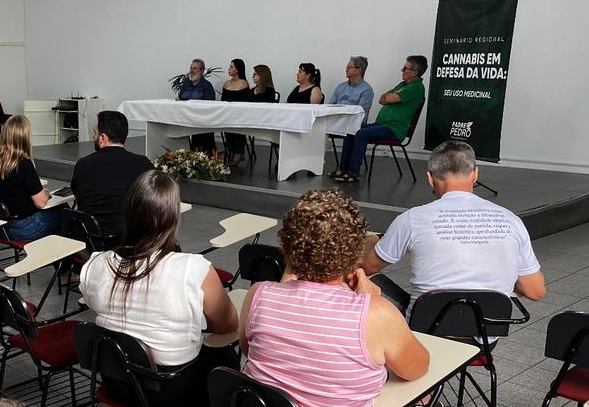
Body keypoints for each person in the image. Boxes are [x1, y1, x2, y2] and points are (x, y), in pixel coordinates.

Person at [240, 189, 429, 407]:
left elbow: (250, 350)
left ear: (287, 245)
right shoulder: (378, 315)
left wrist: (292, 266)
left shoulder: (258, 295)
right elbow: (417, 369)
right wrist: (369, 305)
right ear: (355, 252)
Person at [79, 170, 238, 407]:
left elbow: (92, 302)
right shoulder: (193, 269)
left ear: (129, 214)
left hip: (118, 384)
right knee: (227, 358)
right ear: (174, 218)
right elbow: (228, 325)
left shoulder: (97, 264)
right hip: (172, 391)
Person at [361, 141, 546, 311]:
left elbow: (368, 266)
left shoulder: (412, 219)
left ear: (430, 178)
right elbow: (535, 291)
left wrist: (372, 240)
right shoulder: (511, 220)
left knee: (356, 272)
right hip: (489, 328)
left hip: (425, 327)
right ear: (475, 174)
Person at [333, 55, 427, 183]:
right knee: (351, 128)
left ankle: (354, 173)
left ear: (414, 72)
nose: (402, 70)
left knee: (361, 134)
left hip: (394, 129)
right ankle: (343, 168)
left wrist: (391, 97)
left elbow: (388, 98)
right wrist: (390, 97)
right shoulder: (403, 84)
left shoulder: (416, 87)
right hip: (382, 124)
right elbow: (382, 99)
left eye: (405, 68)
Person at [70, 111, 153, 245]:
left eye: (95, 133)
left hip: (92, 242)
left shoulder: (83, 164)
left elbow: (78, 195)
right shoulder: (143, 164)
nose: (93, 136)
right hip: (134, 243)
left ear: (103, 138)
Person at [0, 115, 59, 241]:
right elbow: (40, 203)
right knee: (65, 213)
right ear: (25, 138)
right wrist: (45, 194)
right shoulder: (23, 164)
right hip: (24, 228)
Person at [178, 58, 217, 152]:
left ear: (202, 71)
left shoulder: (207, 86)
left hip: (201, 121)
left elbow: (209, 106)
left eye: (195, 68)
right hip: (185, 118)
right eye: (191, 68)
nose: (192, 71)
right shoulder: (186, 84)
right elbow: (180, 100)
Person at [221, 59, 252, 165]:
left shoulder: (243, 84)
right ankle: (231, 150)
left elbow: (245, 102)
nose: (229, 69)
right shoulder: (226, 84)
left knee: (237, 126)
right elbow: (223, 100)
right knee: (226, 124)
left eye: (231, 67)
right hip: (227, 114)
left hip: (239, 115)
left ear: (238, 70)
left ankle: (239, 152)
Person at [330, 56, 375, 122]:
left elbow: (360, 114)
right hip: (334, 121)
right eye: (346, 67)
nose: (346, 70)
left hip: (352, 124)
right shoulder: (341, 87)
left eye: (349, 67)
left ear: (359, 70)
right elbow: (330, 106)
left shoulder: (366, 90)